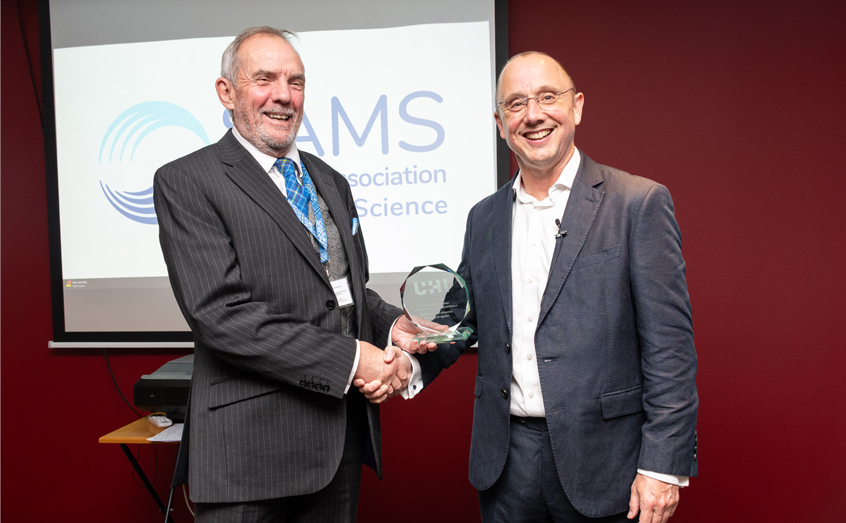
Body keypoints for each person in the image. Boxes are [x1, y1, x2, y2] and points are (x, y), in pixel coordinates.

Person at [365, 52, 699, 522]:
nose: (533, 114)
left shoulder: (638, 204)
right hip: (505, 468)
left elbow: (671, 350)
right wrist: (404, 364)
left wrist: (663, 467)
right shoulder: (484, 217)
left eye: (547, 97)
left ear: (577, 107)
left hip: (608, 467)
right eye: (516, 104)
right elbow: (463, 323)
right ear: (500, 124)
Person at [154, 26, 429, 523]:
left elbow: (343, 292)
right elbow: (221, 315)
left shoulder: (330, 180)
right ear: (226, 92)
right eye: (264, 79)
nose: (283, 95)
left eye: (295, 82)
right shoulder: (188, 180)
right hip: (248, 458)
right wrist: (352, 359)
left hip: (336, 447)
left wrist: (392, 327)